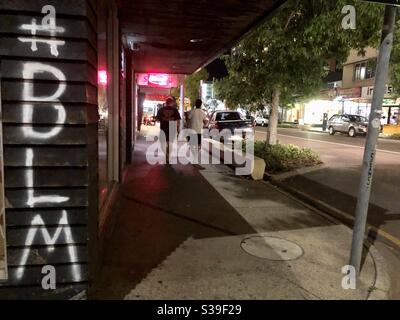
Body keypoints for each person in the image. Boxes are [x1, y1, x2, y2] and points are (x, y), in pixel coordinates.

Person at [156, 97, 181, 163]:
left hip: (163, 128)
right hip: (172, 128)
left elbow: (157, 120)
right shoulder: (175, 110)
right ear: (172, 103)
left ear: (166, 102)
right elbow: (178, 121)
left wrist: (163, 119)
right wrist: (178, 130)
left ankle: (165, 154)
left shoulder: (161, 110)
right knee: (170, 143)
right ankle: (167, 156)